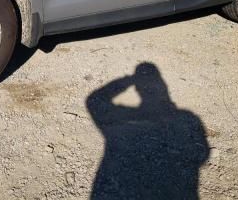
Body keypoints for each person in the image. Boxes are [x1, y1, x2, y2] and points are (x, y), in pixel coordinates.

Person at [87, 63, 210, 199]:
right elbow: (201, 154)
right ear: (165, 88)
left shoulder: (124, 118)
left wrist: (130, 79)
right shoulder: (186, 118)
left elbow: (93, 102)